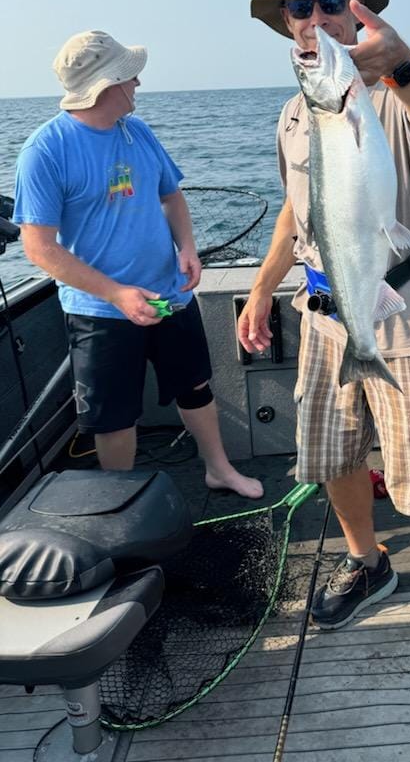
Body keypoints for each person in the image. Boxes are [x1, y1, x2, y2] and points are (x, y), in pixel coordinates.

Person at [241, 0, 410, 726]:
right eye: (301, 9)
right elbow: (296, 209)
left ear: (360, 10)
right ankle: (367, 562)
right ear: (286, 25)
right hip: (324, 316)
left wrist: (403, 65)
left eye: (333, 3)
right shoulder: (297, 107)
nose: (317, 19)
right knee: (334, 453)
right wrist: (259, 289)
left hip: (403, 317)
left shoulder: (392, 88)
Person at [13, 30, 263, 499]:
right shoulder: (44, 151)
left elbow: (171, 195)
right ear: (108, 86)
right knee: (115, 416)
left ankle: (219, 469)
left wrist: (187, 247)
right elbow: (40, 248)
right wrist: (117, 294)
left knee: (195, 386)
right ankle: (122, 505)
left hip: (168, 296)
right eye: (130, 75)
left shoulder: (137, 131)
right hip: (100, 311)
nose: (139, 82)